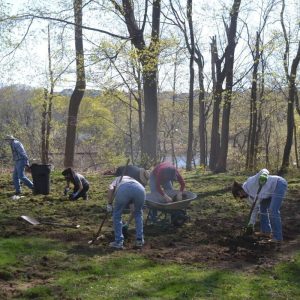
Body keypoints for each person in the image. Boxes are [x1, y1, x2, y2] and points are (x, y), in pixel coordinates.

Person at [232, 168, 288, 243]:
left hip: (278, 184)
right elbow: (254, 210)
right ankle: (265, 231)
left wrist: (264, 175)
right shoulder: (249, 198)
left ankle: (277, 237)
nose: (241, 197)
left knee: (273, 210)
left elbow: (264, 170)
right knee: (262, 209)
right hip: (267, 193)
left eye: (239, 194)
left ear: (240, 190)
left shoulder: (250, 182)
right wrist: (251, 224)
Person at [107, 173, 148, 250]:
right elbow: (133, 210)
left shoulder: (117, 179)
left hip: (124, 190)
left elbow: (111, 189)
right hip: (141, 190)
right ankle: (139, 240)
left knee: (117, 214)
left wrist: (109, 204)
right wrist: (128, 223)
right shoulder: (133, 180)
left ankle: (118, 242)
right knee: (138, 213)